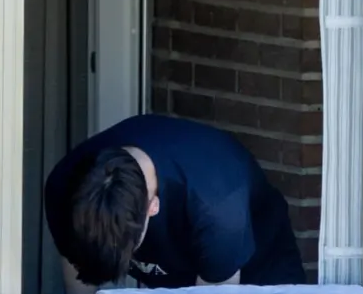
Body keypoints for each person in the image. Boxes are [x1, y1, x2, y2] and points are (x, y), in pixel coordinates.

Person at [44, 114, 305, 292]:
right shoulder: (65, 187)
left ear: (153, 206)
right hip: (177, 258)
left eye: (127, 249)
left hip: (254, 266)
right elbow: (78, 273)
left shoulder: (216, 206)